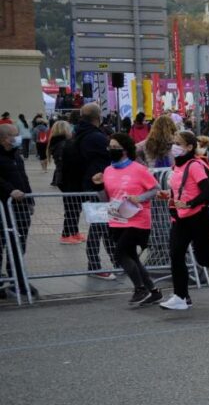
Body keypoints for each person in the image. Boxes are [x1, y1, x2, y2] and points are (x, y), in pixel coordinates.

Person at [158, 131, 209, 310]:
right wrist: (168, 195)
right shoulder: (176, 166)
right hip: (180, 218)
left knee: (206, 257)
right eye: (173, 143)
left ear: (189, 147)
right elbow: (181, 190)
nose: (174, 146)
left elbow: (208, 191)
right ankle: (181, 297)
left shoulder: (194, 165)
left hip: (199, 217)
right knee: (176, 254)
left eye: (178, 143)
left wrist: (190, 203)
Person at [93, 133, 163, 306]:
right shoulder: (108, 170)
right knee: (132, 256)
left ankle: (140, 289)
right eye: (110, 147)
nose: (111, 150)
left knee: (120, 254)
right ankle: (154, 291)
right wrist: (99, 185)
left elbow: (156, 189)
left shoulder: (138, 169)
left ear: (125, 150)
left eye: (115, 147)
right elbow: (106, 198)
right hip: (117, 219)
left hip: (138, 219)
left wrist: (139, 198)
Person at [63, 104, 118, 278]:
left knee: (105, 225)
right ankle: (95, 265)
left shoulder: (78, 134)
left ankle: (116, 260)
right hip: (98, 185)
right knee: (100, 225)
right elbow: (111, 156)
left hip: (89, 184)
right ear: (98, 117)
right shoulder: (95, 136)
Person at [0, 123, 35, 297]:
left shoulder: (16, 155)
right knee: (2, 244)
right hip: (4, 207)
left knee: (19, 244)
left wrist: (30, 200)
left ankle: (17, 278)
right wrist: (10, 190)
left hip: (21, 208)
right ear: (4, 138)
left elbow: (24, 178)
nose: (18, 137)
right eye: (14, 134)